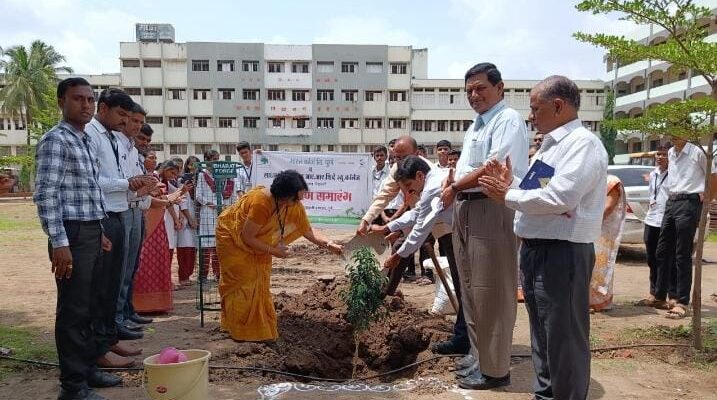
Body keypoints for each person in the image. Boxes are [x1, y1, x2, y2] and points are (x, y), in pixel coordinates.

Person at [478, 75, 607, 399]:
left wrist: (508, 195)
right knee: (543, 338)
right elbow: (539, 192)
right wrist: (515, 183)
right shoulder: (552, 147)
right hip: (539, 252)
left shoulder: (582, 144)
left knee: (563, 340)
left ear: (559, 106)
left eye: (536, 109)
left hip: (562, 254)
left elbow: (560, 198)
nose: (531, 116)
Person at [439, 62, 528, 389]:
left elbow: (492, 168)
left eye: (480, 88)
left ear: (500, 88)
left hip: (492, 208)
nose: (473, 95)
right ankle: (480, 358)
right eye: (469, 91)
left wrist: (455, 186)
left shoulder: (508, 121)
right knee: (472, 291)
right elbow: (466, 168)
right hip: (467, 208)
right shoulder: (477, 124)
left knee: (493, 292)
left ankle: (495, 370)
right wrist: (455, 185)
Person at [34, 77, 114, 400]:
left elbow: (89, 189)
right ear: (61, 102)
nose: (86, 105)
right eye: (78, 99)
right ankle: (72, 386)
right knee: (74, 310)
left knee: (93, 305)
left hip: (91, 230)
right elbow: (46, 194)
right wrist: (60, 242)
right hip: (71, 233)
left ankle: (89, 368)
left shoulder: (85, 140)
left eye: (90, 99)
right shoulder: (56, 140)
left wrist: (101, 231)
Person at [216, 170, 342, 341]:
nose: (299, 202)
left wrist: (328, 243)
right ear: (284, 197)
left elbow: (307, 230)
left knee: (259, 281)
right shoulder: (261, 203)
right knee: (243, 281)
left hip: (258, 243)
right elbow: (247, 237)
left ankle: (257, 330)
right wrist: (275, 251)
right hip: (233, 240)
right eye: (296, 199)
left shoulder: (292, 204)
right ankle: (239, 331)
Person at [85, 89, 157, 357]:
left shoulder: (115, 141)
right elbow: (95, 182)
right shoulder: (92, 137)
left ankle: (110, 334)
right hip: (105, 215)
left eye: (133, 119)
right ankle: (103, 341)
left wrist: (138, 188)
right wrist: (129, 185)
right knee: (102, 286)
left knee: (119, 276)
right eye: (124, 116)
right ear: (104, 109)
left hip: (123, 210)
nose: (128, 123)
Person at [114, 103, 154, 348]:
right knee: (121, 269)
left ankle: (127, 312)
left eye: (145, 136)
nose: (143, 139)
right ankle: (118, 318)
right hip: (124, 209)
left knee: (131, 267)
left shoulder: (135, 153)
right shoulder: (117, 144)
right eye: (135, 124)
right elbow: (126, 183)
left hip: (137, 210)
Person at [656, 136, 708, 319]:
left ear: (686, 132)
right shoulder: (671, 152)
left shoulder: (698, 152)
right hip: (672, 201)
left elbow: (713, 175)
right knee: (662, 250)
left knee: (682, 253)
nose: (673, 136)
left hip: (689, 202)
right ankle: (667, 295)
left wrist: (707, 198)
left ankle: (682, 302)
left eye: (677, 131)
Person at [133, 160, 184, 313]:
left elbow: (164, 200)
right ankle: (142, 304)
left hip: (157, 225)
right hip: (149, 224)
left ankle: (155, 303)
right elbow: (157, 200)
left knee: (158, 259)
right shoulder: (151, 179)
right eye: (172, 173)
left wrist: (175, 196)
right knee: (146, 261)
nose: (154, 160)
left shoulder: (159, 181)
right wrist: (169, 198)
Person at [636, 145, 673, 309]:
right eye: (658, 154)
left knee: (665, 258)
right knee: (651, 258)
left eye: (664, 154)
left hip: (667, 219)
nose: (660, 157)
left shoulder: (674, 174)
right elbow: (653, 193)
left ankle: (667, 295)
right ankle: (654, 292)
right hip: (651, 219)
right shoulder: (653, 174)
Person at [196, 149, 236, 281]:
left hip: (224, 213)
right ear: (207, 160)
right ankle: (203, 276)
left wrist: (228, 207)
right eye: (213, 159)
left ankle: (219, 275)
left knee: (220, 244)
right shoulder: (202, 175)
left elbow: (232, 195)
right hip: (208, 212)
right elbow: (198, 195)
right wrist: (209, 203)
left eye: (217, 158)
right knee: (206, 244)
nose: (216, 161)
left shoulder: (227, 175)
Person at [590, 174, 627, 312]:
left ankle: (597, 301)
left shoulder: (612, 182)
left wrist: (590, 222)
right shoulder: (591, 179)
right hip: (588, 229)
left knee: (598, 266)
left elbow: (608, 207)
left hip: (602, 230)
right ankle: (585, 300)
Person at [176, 156, 200, 286]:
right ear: (188, 166)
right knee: (185, 248)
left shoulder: (199, 180)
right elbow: (183, 201)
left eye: (197, 164)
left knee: (193, 249)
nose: (194, 167)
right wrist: (190, 219)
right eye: (192, 164)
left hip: (195, 218)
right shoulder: (183, 180)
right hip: (186, 218)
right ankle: (183, 276)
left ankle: (188, 276)